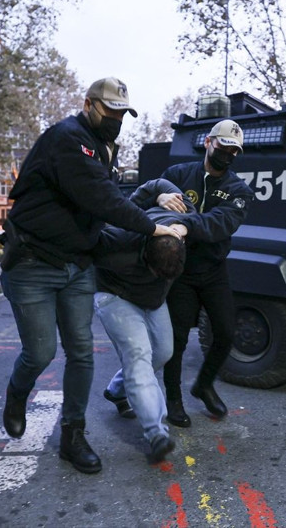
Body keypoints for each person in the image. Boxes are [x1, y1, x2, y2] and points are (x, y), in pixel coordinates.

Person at [0, 77, 181, 474]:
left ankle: (73, 434)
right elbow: (104, 200)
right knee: (42, 352)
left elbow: (113, 202)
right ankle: (17, 394)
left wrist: (157, 200)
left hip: (78, 265)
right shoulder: (69, 139)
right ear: (88, 105)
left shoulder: (102, 149)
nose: (116, 119)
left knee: (81, 352)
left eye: (122, 114)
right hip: (33, 263)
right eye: (110, 111)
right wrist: (154, 229)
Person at [149, 119, 253, 427]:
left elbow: (220, 224)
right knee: (177, 341)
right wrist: (159, 197)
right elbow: (148, 203)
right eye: (224, 147)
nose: (229, 154)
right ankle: (173, 399)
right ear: (208, 142)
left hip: (213, 270)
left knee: (225, 332)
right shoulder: (178, 176)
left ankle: (203, 385)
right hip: (180, 271)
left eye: (235, 151)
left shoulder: (239, 190)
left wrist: (186, 224)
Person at [93, 179, 191, 463]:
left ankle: (116, 391)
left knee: (163, 352)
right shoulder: (116, 241)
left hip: (152, 300)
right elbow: (106, 220)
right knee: (138, 355)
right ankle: (155, 432)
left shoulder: (180, 224)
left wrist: (162, 195)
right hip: (116, 294)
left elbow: (165, 187)